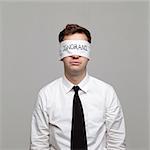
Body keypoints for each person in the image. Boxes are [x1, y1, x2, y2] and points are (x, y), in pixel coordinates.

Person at [30, 24, 126, 150]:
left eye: (81, 48)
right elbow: (38, 144)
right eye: (69, 48)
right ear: (61, 53)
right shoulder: (46, 95)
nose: (75, 55)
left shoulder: (107, 93)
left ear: (88, 53)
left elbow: (116, 143)